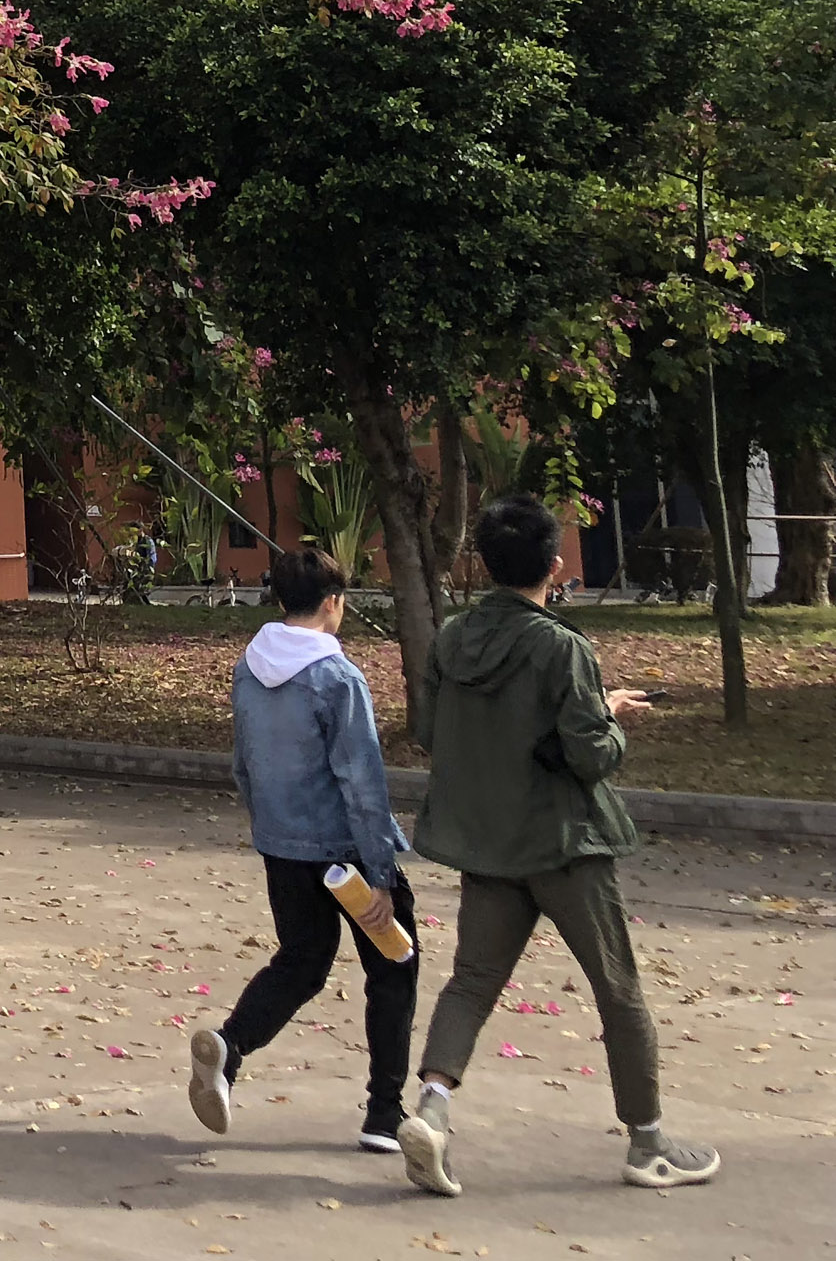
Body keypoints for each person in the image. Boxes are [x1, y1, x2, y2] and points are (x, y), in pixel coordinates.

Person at [394, 493, 715, 1198]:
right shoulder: (563, 645)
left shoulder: (450, 638)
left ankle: (432, 1110)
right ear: (556, 564)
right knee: (618, 990)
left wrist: (583, 711)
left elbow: (431, 732)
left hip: (488, 845)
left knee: (471, 982)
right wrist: (613, 717)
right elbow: (591, 754)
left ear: (484, 561)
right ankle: (649, 1142)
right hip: (565, 844)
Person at [189, 544, 419, 1151]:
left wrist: (270, 828)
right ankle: (384, 1113)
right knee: (395, 965)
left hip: (282, 845)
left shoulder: (248, 666)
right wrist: (385, 876)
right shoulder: (337, 677)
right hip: (345, 853)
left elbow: (243, 764)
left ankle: (230, 1047)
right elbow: (362, 783)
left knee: (301, 962)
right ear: (334, 603)